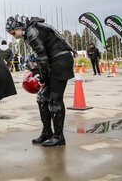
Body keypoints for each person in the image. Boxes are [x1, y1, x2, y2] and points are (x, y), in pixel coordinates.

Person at [6, 15, 75, 146]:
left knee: (55, 99)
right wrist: (37, 69)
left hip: (61, 62)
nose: (14, 36)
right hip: (53, 61)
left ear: (19, 27)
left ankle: (59, 136)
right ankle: (47, 132)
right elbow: (43, 57)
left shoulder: (33, 32)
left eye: (14, 33)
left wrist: (42, 78)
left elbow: (42, 57)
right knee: (42, 97)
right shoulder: (31, 30)